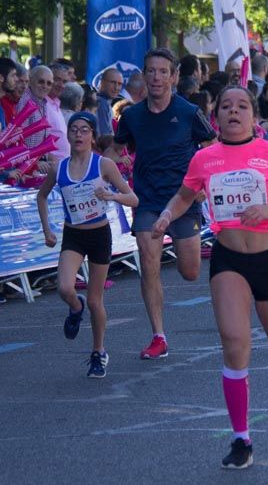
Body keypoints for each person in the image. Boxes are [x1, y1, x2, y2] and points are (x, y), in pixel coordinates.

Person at [151, 85, 268, 469]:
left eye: (242, 106)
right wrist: (165, 216)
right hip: (229, 260)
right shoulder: (204, 159)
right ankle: (241, 438)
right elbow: (184, 196)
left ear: (253, 116)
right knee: (234, 340)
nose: (233, 112)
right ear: (217, 116)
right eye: (226, 106)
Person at [114, 48, 216, 359]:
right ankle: (158, 335)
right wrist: (91, 175)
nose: (156, 77)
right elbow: (115, 153)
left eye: (162, 71)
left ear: (173, 77)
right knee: (148, 262)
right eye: (151, 71)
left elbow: (212, 149)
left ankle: (186, 255)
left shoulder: (187, 112)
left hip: (185, 200)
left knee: (190, 272)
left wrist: (203, 186)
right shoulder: (131, 116)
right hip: (148, 201)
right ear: (144, 76)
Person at [37, 112, 138, 378]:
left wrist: (112, 195)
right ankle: (74, 306)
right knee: (64, 288)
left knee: (96, 300)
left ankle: (98, 352)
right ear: (68, 135)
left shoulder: (103, 165)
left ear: (92, 136)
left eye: (84, 130)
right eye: (74, 130)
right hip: (73, 235)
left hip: (98, 235)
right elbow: (42, 196)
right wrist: (47, 230)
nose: (79, 135)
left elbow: (133, 199)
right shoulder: (60, 168)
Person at [97, 68, 124, 136]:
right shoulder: (102, 103)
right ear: (102, 82)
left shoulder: (105, 102)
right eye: (113, 82)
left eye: (120, 84)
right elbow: (105, 137)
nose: (116, 87)